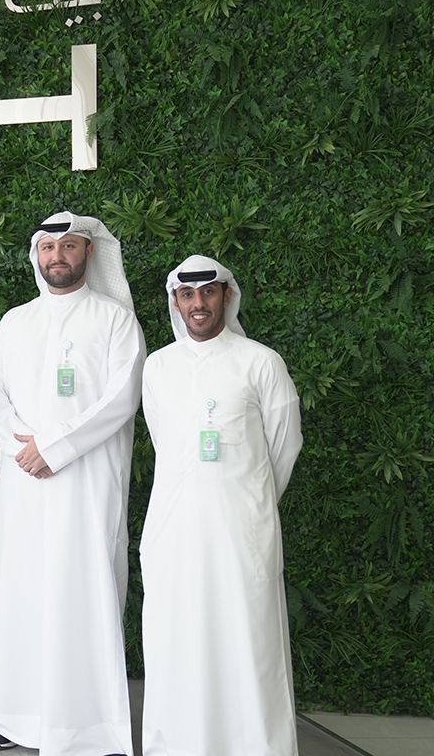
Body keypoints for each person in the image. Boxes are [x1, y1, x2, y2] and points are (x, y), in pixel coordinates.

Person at [0, 212, 145, 755]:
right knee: (20, 592)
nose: (57, 256)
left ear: (89, 253)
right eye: (48, 247)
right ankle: (12, 718)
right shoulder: (14, 323)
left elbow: (122, 398)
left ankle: (92, 729)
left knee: (84, 593)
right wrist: (24, 449)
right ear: (37, 256)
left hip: (87, 487)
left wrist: (55, 448)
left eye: (68, 246)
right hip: (23, 485)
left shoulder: (115, 320)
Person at [139, 255, 303, 756]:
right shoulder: (158, 366)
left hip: (241, 531)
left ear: (226, 297)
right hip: (174, 529)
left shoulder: (261, 362)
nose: (198, 304)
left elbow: (284, 446)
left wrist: (249, 502)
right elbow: (164, 443)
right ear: (175, 302)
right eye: (187, 295)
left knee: (248, 641)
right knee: (178, 637)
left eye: (208, 292)